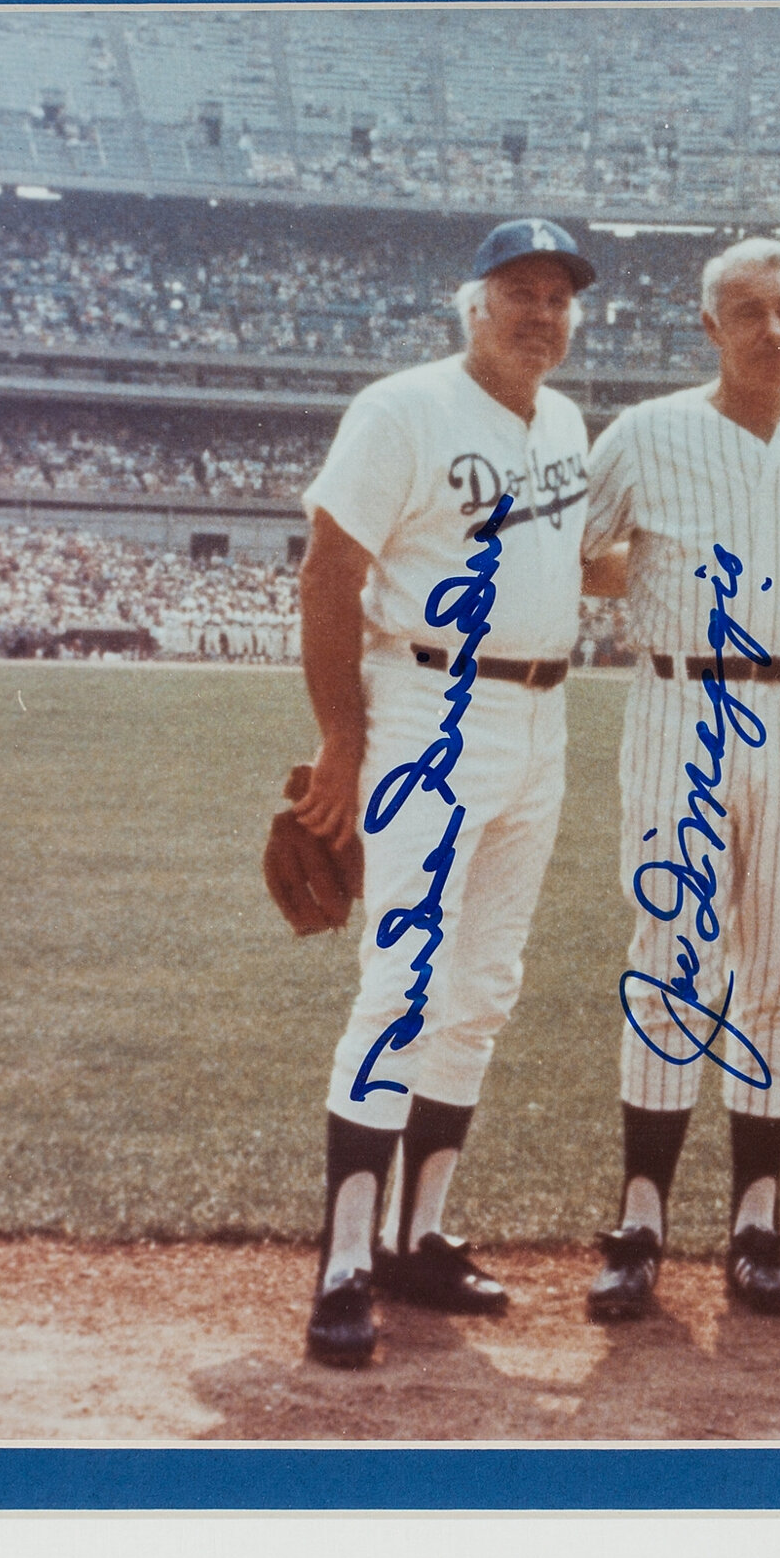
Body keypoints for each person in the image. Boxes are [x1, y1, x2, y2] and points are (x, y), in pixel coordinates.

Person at [286, 218, 598, 1369]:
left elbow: (559, 562)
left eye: (560, 296)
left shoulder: (563, 420)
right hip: (428, 704)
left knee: (485, 983)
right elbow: (330, 568)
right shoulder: (401, 406)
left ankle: (420, 1234)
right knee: (404, 977)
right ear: (470, 302)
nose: (541, 312)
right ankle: (348, 1257)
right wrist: (340, 737)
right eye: (518, 290)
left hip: (541, 715)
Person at [573, 238, 780, 1321]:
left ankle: (758, 1221)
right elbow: (571, 549)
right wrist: (649, 570)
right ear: (708, 326)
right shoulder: (647, 431)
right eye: (747, 312)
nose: (773, 331)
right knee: (669, 956)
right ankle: (641, 1219)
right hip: (681, 702)